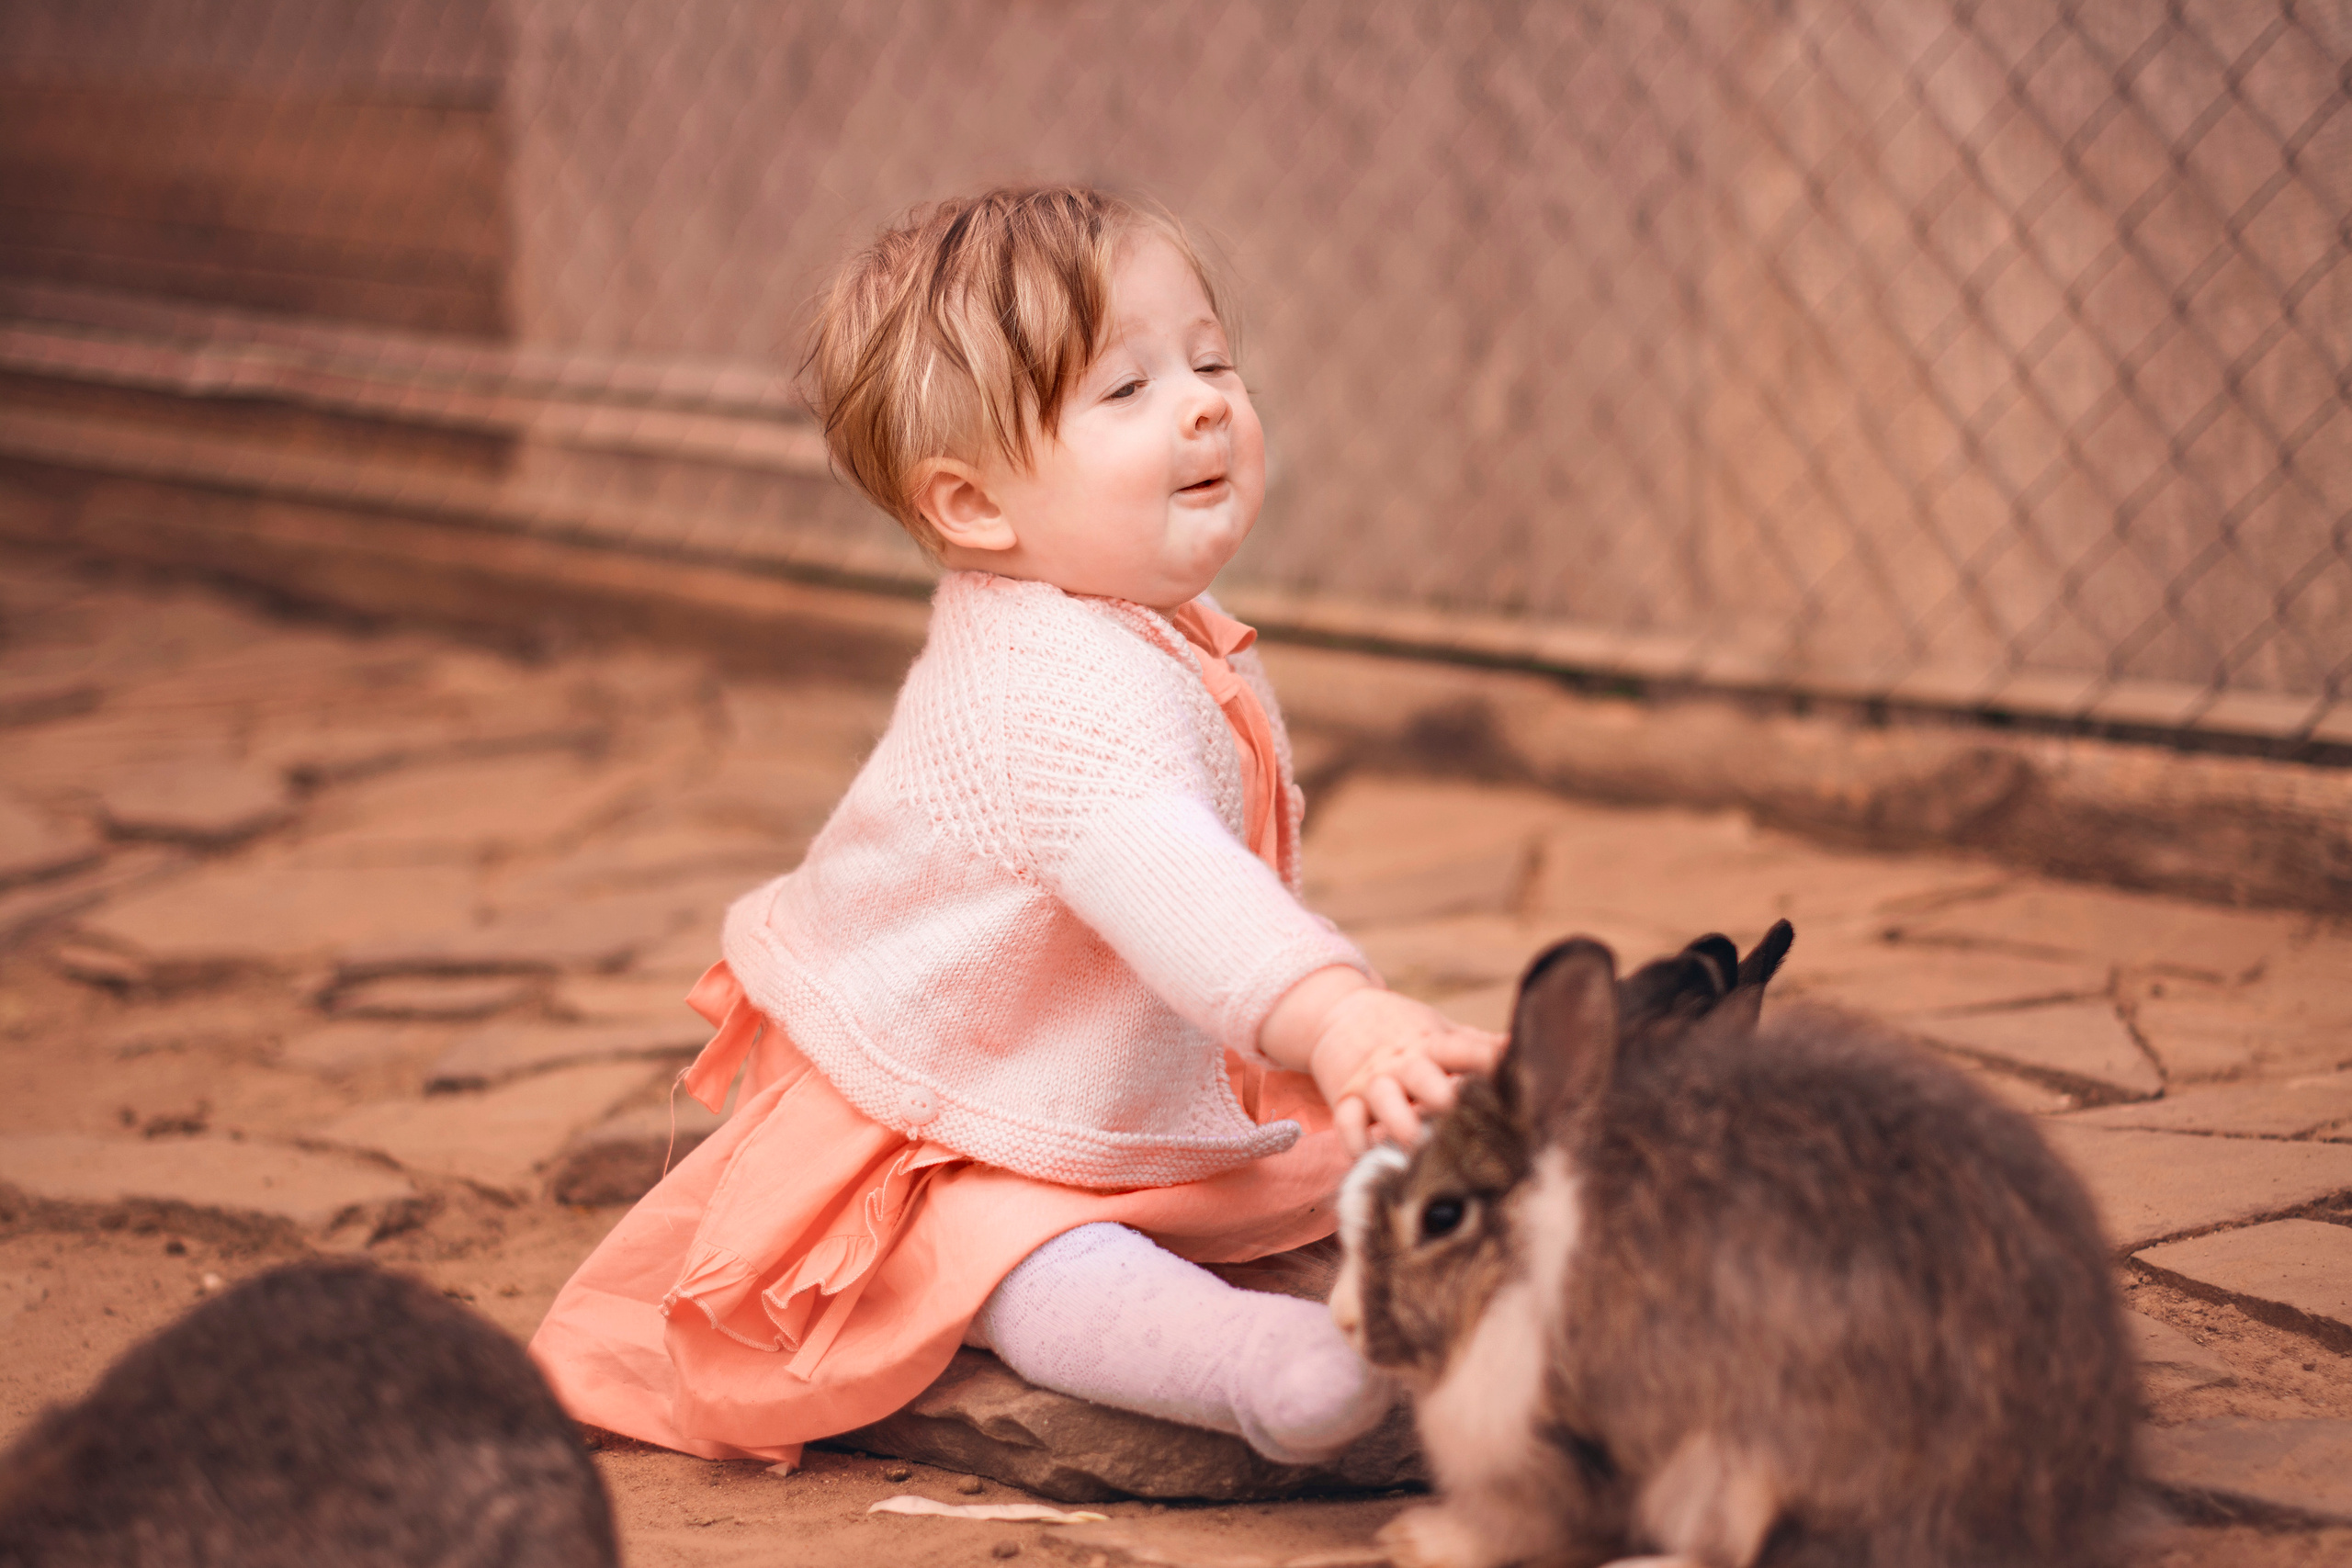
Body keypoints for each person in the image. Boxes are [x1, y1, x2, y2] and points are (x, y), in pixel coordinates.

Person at [529, 186, 1501, 1472]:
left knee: (1323, 1162)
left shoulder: (1146, 621)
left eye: (1213, 362)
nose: (1206, 403)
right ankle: (1255, 1365)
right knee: (1016, 1256)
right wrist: (1334, 1016)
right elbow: (1162, 868)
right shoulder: (1045, 685)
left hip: (1085, 1069)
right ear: (977, 507)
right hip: (942, 1118)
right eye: (1128, 392)